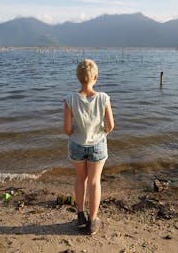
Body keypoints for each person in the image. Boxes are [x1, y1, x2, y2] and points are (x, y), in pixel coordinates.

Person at [63, 59, 115, 235]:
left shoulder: (70, 99)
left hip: (77, 144)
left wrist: (77, 134)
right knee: (94, 182)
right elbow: (110, 125)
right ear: (96, 77)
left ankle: (80, 217)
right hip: (98, 144)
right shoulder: (103, 98)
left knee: (80, 179)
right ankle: (92, 221)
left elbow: (67, 129)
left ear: (78, 78)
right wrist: (103, 134)